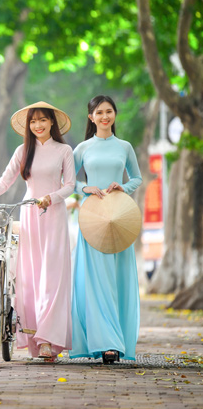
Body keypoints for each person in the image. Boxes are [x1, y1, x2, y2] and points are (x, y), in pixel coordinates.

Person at [0, 101, 75, 361]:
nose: (38, 125)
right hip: (29, 215)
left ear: (52, 123)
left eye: (42, 120)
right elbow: (4, 183)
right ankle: (34, 336)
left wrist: (51, 197)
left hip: (54, 216)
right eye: (33, 121)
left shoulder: (64, 150)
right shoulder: (23, 151)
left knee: (53, 277)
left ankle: (48, 339)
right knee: (30, 278)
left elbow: (70, 185)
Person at [70, 95, 142, 364]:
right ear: (91, 117)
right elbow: (69, 182)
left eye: (109, 111)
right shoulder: (83, 148)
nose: (104, 117)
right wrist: (85, 188)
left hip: (120, 219)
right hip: (92, 219)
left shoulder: (124, 146)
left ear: (115, 114)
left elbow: (137, 177)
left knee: (116, 280)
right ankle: (105, 343)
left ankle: (117, 340)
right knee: (97, 282)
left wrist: (124, 186)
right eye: (99, 112)